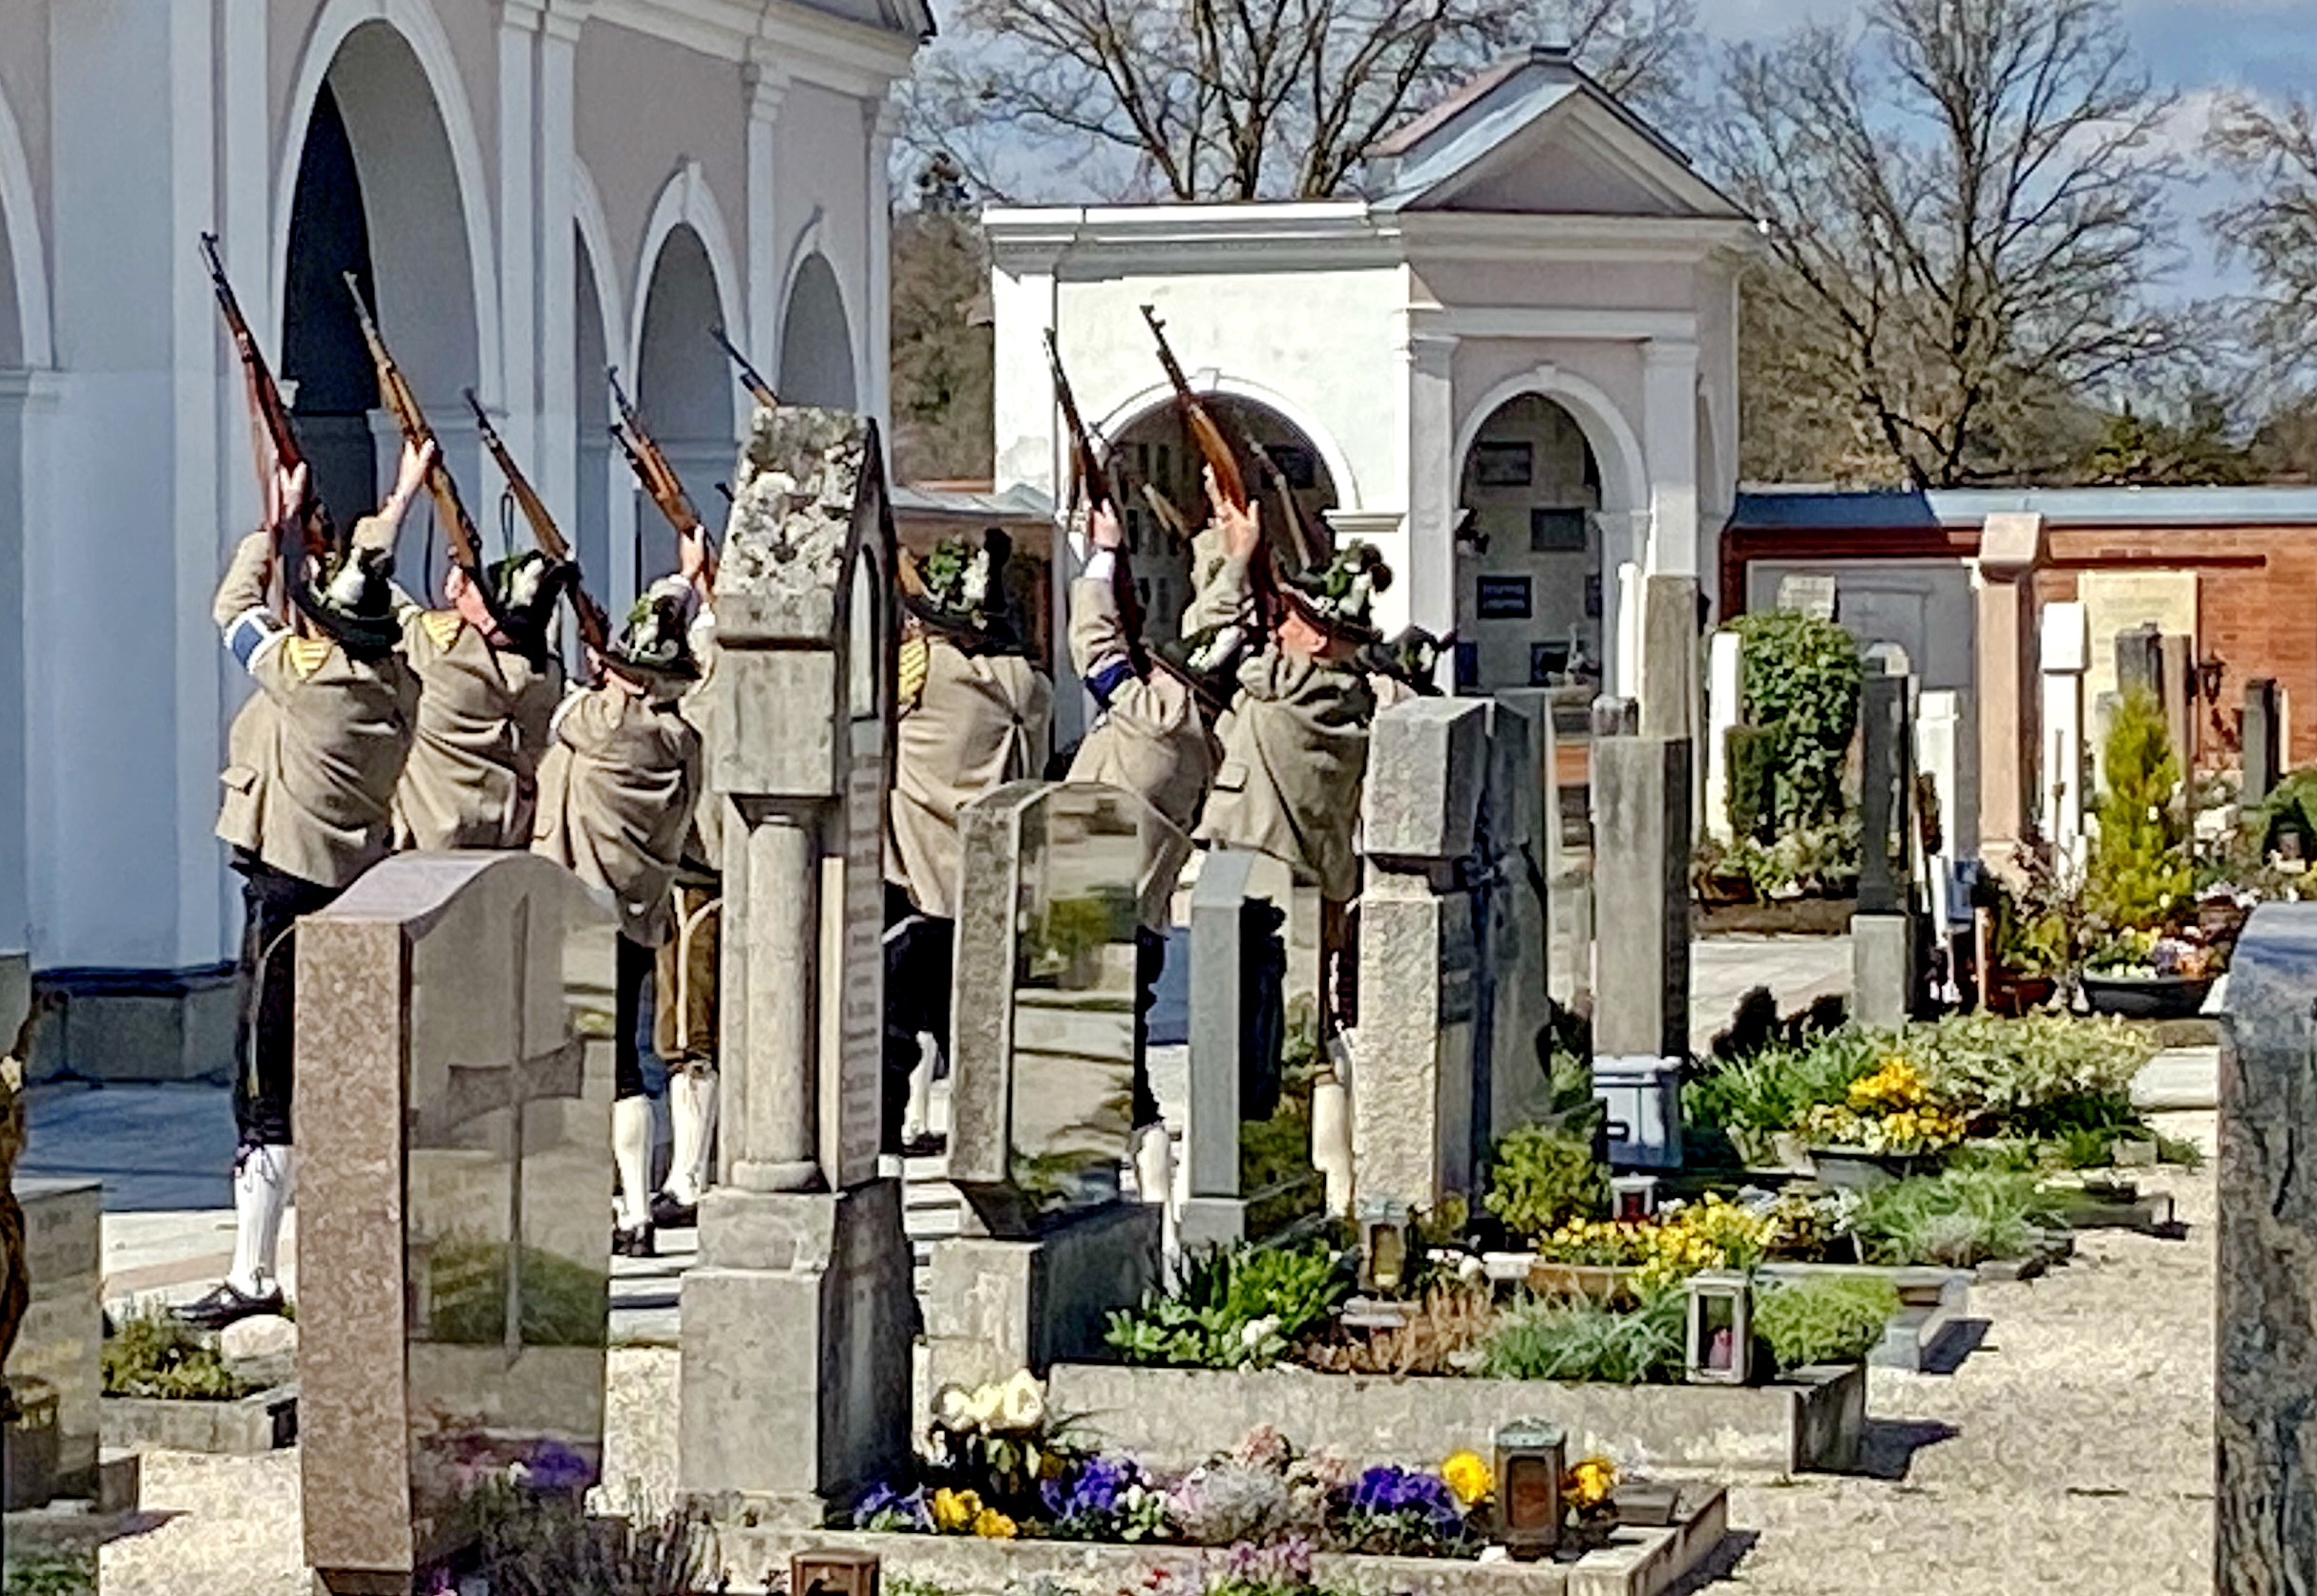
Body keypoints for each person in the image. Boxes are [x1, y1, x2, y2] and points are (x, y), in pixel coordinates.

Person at [178, 448, 427, 1330]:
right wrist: (388, 514)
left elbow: (232, 610)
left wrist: (273, 529)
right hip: (353, 888)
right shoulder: (400, 687)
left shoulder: (309, 678)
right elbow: (376, 598)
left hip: (284, 893)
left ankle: (252, 1273)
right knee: (334, 1079)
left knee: (264, 1084)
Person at [533, 525, 711, 1257]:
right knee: (625, 1064)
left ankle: (618, 1207)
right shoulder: (683, 742)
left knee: (586, 1066)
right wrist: (684, 584)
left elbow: (560, 705)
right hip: (637, 913)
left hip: (579, 911)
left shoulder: (599, 724)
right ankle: (635, 1208)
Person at [1065, 497, 1245, 1204]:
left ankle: (1117, 1184)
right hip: (1143, 919)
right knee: (1127, 1054)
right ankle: (1150, 1184)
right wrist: (1230, 558)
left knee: (1093, 1059)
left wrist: (1104, 554)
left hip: (1093, 909)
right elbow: (1210, 638)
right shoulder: (1200, 737)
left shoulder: (1153, 719)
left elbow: (1096, 648)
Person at [885, 531, 1053, 1156]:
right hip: (994, 887)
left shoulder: (923, 673)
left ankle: (891, 1169)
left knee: (892, 1040)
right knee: (978, 1040)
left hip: (920, 881)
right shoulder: (1027, 684)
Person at [390, 546, 572, 851]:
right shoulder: (546, 675)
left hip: (431, 843)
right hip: (509, 840)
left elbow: (370, 605)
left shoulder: (442, 653)